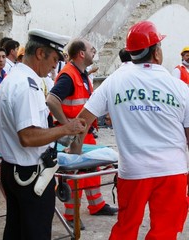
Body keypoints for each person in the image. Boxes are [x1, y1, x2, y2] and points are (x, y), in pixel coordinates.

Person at [70, 21, 189, 240]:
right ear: (156, 52)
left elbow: (81, 122)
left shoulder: (113, 82)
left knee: (126, 228)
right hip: (172, 171)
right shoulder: (180, 88)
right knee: (165, 231)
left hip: (133, 171)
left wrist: (72, 154)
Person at [0, 29, 86, 240]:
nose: (55, 65)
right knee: (35, 232)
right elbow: (28, 137)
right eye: (54, 59)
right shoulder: (28, 86)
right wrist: (66, 128)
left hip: (14, 170)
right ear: (40, 54)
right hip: (29, 175)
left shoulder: (13, 78)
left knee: (16, 230)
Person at [46, 38, 118, 230]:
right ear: (81, 54)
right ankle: (70, 215)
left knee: (91, 171)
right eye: (91, 49)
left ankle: (96, 205)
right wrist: (66, 124)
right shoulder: (69, 75)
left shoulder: (81, 74)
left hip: (84, 133)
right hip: (73, 135)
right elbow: (51, 100)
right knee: (73, 174)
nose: (94, 52)